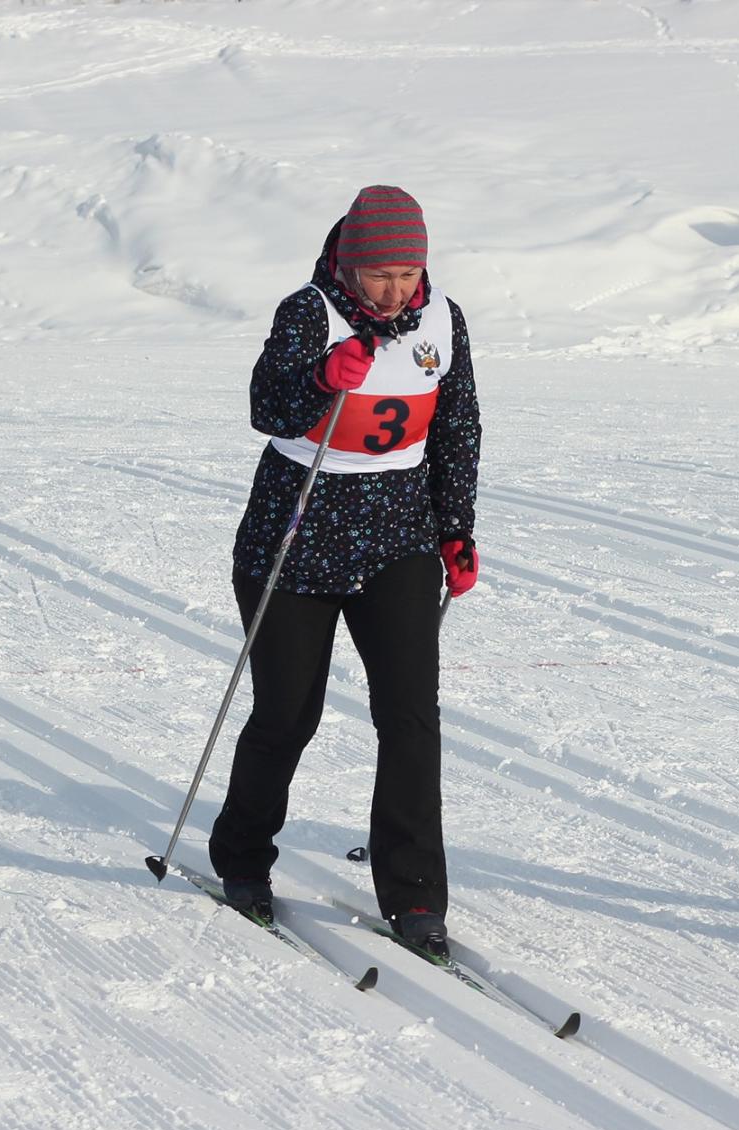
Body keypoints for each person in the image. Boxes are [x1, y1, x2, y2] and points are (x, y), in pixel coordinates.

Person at [207, 185, 482, 959]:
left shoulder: (442, 320)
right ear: (347, 263)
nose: (395, 290)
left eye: (407, 273)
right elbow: (266, 403)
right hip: (295, 535)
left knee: (410, 717)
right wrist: (323, 376)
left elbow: (457, 422)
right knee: (288, 713)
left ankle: (415, 891)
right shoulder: (309, 311)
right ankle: (242, 859)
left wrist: (455, 527)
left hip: (398, 538)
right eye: (378, 275)